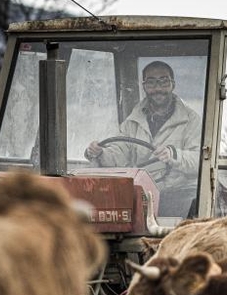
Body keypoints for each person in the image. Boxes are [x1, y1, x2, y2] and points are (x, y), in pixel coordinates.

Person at [84, 61, 202, 195]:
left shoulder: (191, 120)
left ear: (172, 85)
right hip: (140, 191)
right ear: (144, 86)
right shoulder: (133, 121)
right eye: (151, 82)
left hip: (179, 192)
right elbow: (120, 153)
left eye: (163, 82)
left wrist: (173, 154)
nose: (158, 89)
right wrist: (100, 153)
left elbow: (200, 162)